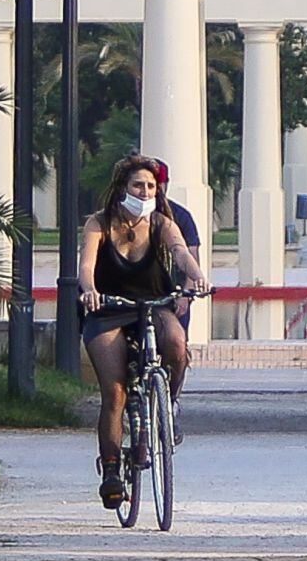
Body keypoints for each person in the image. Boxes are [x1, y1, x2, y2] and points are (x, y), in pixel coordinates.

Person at [78, 155, 211, 510]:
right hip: (108, 309)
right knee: (115, 391)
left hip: (153, 304)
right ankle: (110, 471)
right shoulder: (99, 223)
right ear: (123, 187)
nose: (145, 191)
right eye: (138, 185)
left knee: (176, 343)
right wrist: (89, 289)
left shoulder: (161, 223)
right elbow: (87, 265)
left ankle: (168, 402)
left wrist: (195, 276)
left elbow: (181, 252)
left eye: (151, 186)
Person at [160, 174, 200, 334]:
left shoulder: (180, 216)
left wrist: (186, 294)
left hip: (173, 292)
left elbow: (190, 254)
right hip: (137, 294)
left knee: (177, 343)